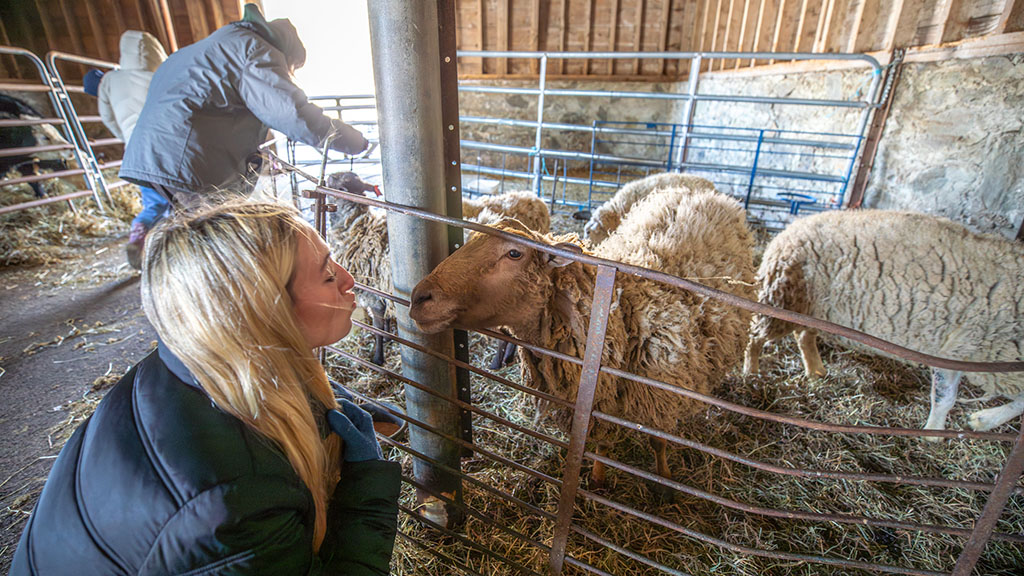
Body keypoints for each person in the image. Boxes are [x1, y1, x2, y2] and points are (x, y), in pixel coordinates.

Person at [10, 200, 401, 574]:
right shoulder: (232, 503)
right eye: (328, 275)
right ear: (264, 309)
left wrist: (307, 398)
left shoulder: (184, 362)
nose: (349, 279)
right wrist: (365, 488)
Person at [119, 3, 368, 205]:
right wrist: (355, 142)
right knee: (222, 241)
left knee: (199, 233)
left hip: (156, 156)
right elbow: (292, 114)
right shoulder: (253, 49)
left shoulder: (211, 47)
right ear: (285, 52)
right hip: (187, 160)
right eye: (289, 69)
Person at [84, 31, 170, 269]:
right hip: (168, 146)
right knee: (178, 198)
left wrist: (127, 137)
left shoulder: (111, 80)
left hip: (136, 150)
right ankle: (176, 248)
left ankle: (139, 231)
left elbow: (108, 117)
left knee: (153, 202)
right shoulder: (164, 75)